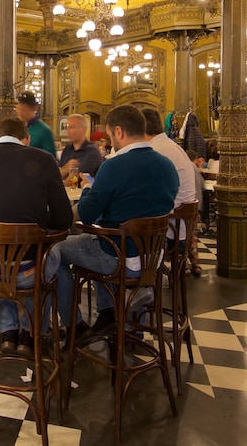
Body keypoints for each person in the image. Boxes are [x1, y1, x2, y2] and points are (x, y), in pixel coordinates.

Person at [52, 105, 178, 343]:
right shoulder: (167, 165)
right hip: (153, 256)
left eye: (110, 136)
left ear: (118, 132)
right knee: (97, 241)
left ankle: (74, 325)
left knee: (56, 250)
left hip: (119, 256)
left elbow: (87, 215)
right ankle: (127, 324)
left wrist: (89, 190)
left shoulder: (114, 166)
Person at [0, 118, 73, 355]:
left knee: (0, 248)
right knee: (48, 256)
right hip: (30, 271)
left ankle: (8, 333)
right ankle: (29, 333)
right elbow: (64, 218)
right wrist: (38, 227)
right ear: (27, 139)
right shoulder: (44, 160)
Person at [141, 107, 200, 274]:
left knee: (119, 235)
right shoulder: (171, 146)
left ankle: (136, 285)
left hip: (168, 235)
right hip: (182, 230)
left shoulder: (155, 151)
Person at [58, 114, 104, 179]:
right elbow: (57, 174)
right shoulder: (67, 149)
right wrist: (68, 166)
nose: (68, 131)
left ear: (83, 129)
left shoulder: (92, 152)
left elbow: (74, 176)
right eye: (67, 127)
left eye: (72, 127)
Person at [15, 91, 57, 157]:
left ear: (34, 108)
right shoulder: (15, 128)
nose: (19, 112)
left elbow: (51, 160)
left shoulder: (44, 131)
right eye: (18, 108)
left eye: (23, 109)